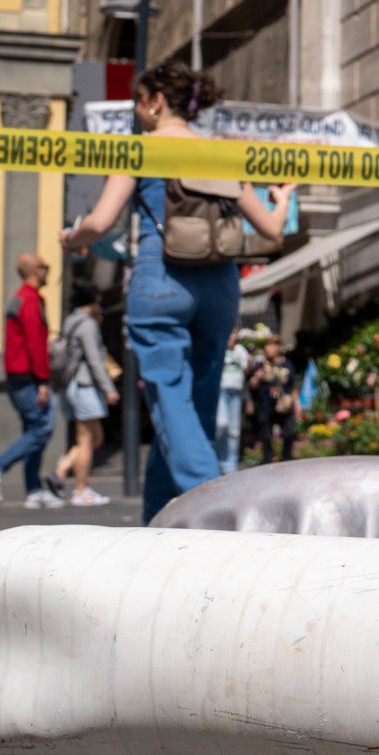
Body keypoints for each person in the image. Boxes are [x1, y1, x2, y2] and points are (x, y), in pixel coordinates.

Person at [61, 60, 291, 520]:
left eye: (137, 104)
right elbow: (270, 230)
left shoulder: (140, 148)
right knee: (195, 404)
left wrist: (71, 237)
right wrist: (281, 200)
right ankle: (160, 523)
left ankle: (216, 509)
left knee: (168, 395)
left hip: (162, 275)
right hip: (220, 287)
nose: (135, 113)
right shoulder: (221, 151)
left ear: (155, 102)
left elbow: (102, 222)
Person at [0, 253, 62, 508]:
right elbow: (35, 343)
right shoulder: (29, 300)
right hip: (28, 377)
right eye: (46, 267)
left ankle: (34, 491)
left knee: (33, 429)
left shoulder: (23, 298)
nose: (48, 271)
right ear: (35, 270)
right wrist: (43, 381)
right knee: (41, 429)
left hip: (20, 375)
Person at [52, 282, 116, 506]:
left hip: (72, 384)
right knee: (87, 439)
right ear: (92, 302)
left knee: (94, 437)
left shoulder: (70, 320)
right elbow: (95, 359)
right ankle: (81, 490)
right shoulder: (87, 325)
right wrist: (109, 388)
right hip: (85, 384)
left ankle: (61, 471)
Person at [247, 337, 298, 464]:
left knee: (289, 432)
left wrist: (297, 405)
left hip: (284, 405)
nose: (267, 349)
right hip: (266, 404)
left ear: (278, 347)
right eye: (266, 346)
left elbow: (293, 386)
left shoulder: (288, 365)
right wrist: (257, 378)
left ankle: (286, 459)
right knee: (265, 435)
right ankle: (267, 460)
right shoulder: (261, 365)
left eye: (270, 345)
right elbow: (252, 385)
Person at [216, 333, 250, 469]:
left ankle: (230, 463)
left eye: (233, 336)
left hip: (236, 391)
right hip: (221, 390)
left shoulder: (240, 350)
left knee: (234, 429)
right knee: (221, 423)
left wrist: (251, 361)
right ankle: (217, 455)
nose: (231, 339)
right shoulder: (219, 348)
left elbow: (247, 369)